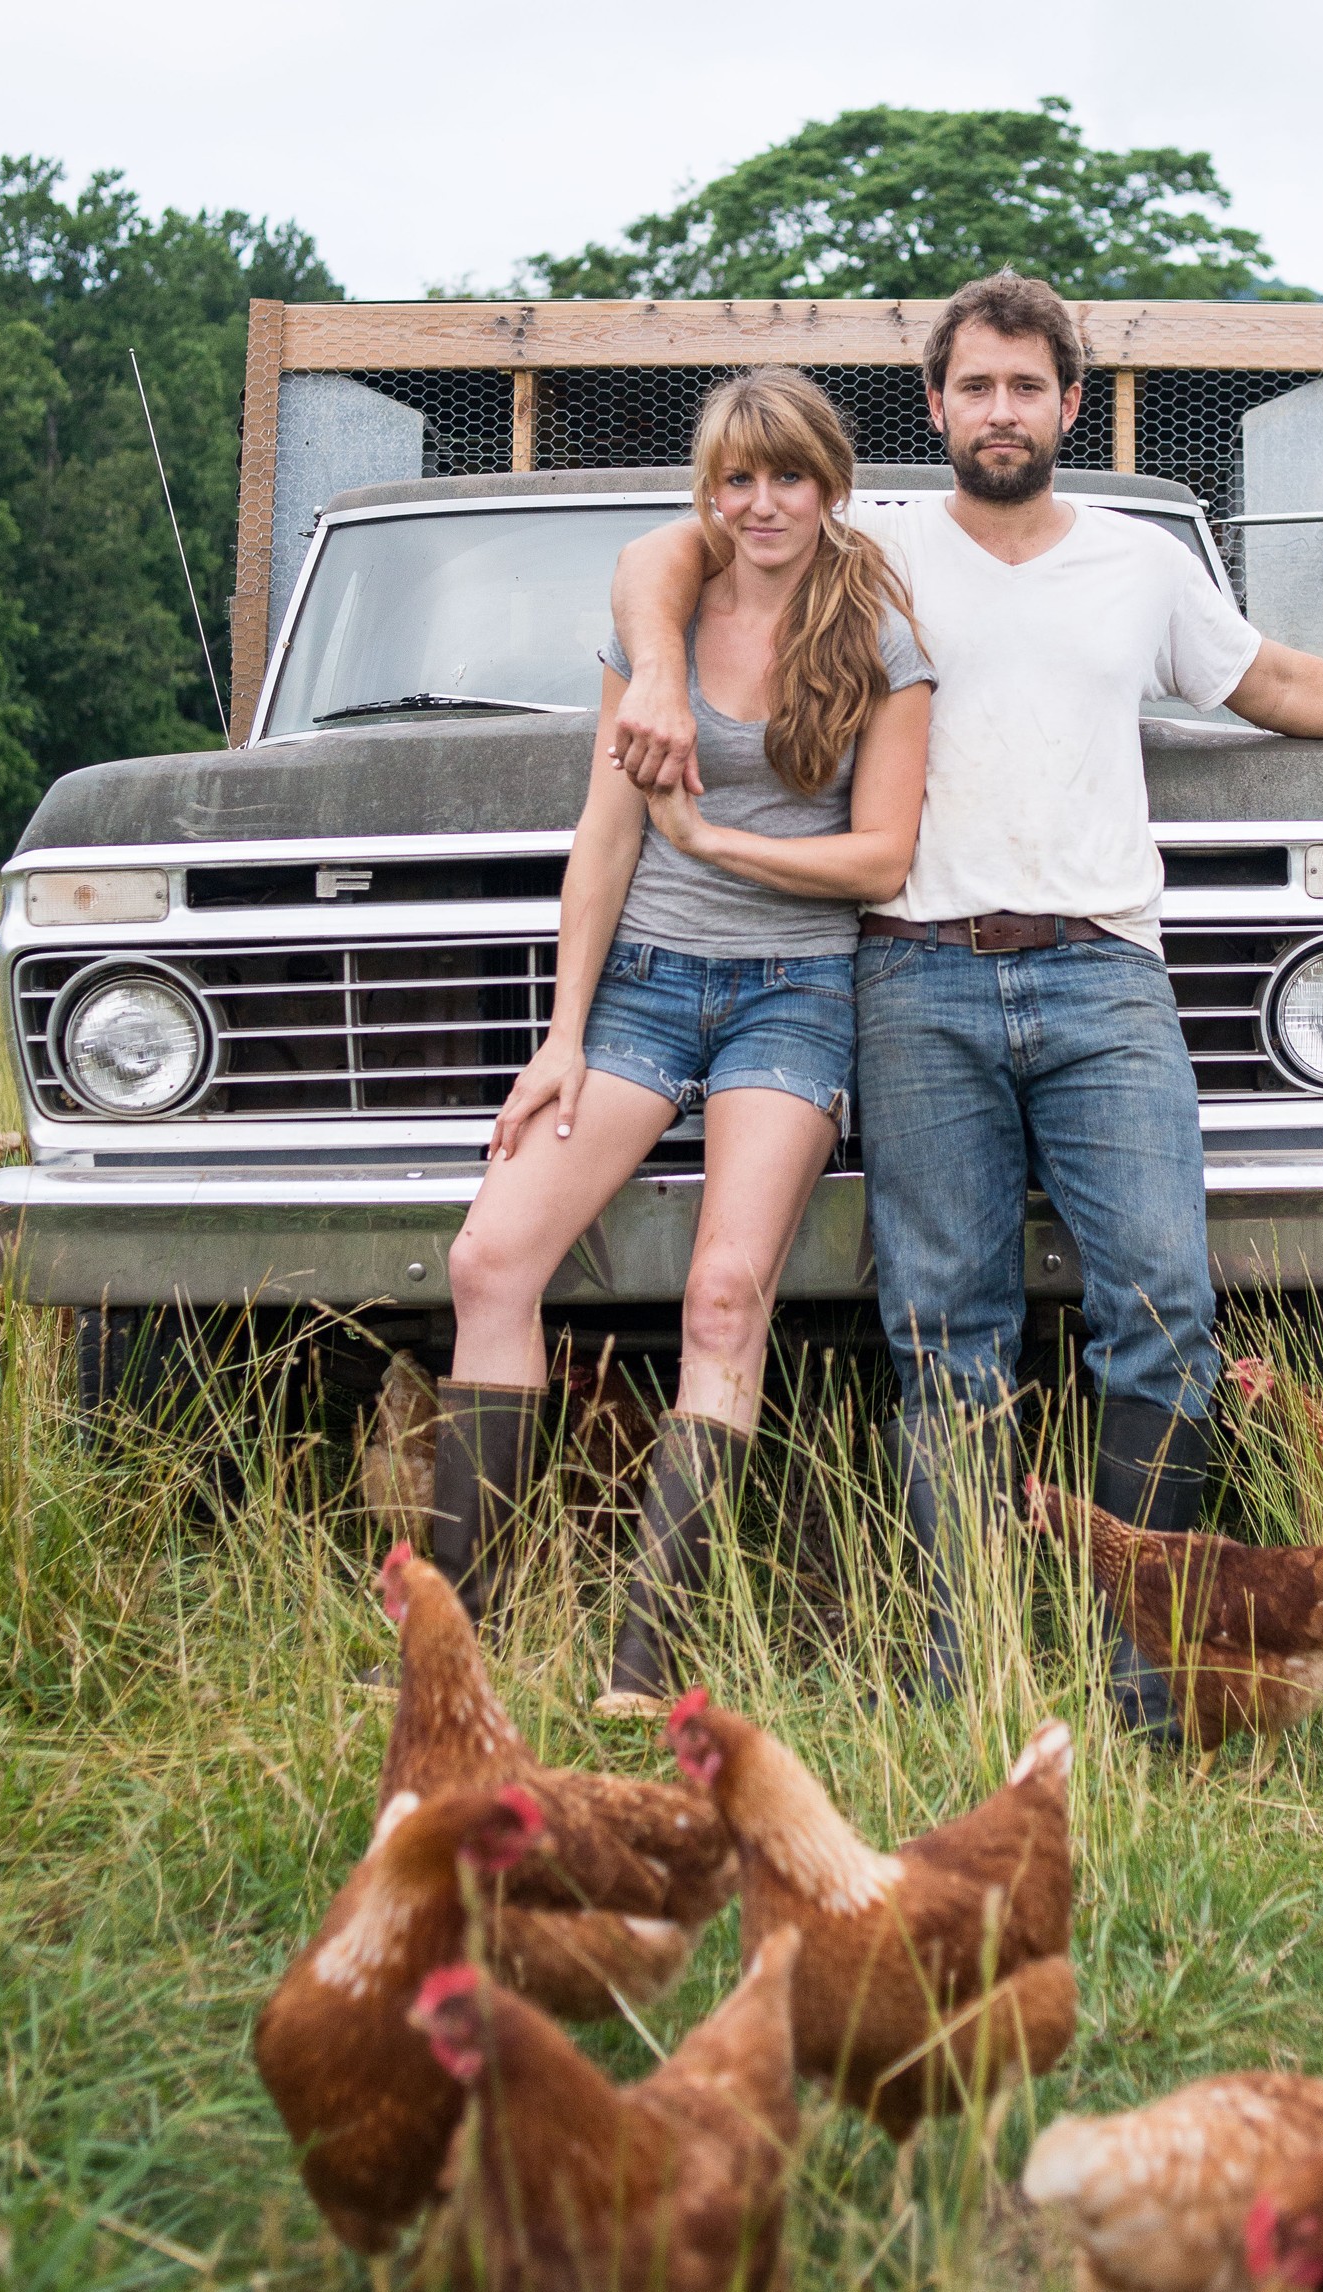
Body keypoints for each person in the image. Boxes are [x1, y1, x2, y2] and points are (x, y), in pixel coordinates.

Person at [609, 272, 1323, 1738]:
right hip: (914, 969)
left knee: (1161, 1307)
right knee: (941, 1326)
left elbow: (1268, 676)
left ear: (1069, 404)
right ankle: (957, 1677)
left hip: (1105, 970)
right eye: (976, 387)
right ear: (937, 405)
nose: (1002, 410)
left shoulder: (1140, 558)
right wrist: (656, 662)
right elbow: (673, 549)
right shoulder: (874, 551)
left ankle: (1151, 1685)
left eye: (1027, 386)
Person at [438, 368, 934, 1716]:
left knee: (725, 1298)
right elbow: (603, 839)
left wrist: (715, 838)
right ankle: (453, 1649)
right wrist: (560, 1033)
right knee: (490, 1260)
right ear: (707, 490)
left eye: (788, 477)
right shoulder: (658, 619)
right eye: (735, 478)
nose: (761, 503)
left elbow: (886, 857)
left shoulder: (880, 635)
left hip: (797, 991)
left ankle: (641, 1665)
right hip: (645, 988)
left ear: (831, 486)